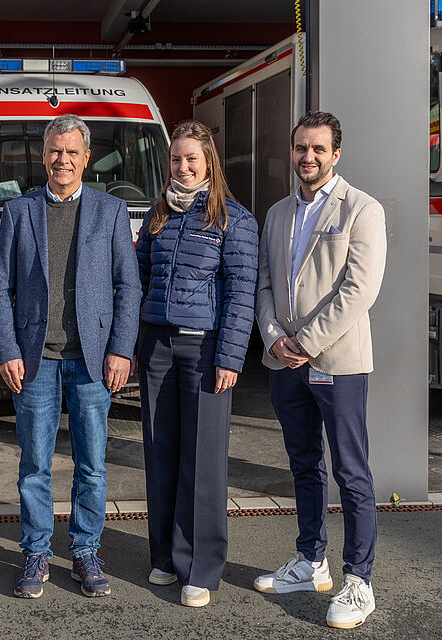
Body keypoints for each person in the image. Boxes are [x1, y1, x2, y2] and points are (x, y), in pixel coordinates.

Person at [0, 114, 141, 599]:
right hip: (35, 360)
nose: (63, 160)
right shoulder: (19, 211)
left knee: (91, 464)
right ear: (44, 155)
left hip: (93, 361)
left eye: (72, 152)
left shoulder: (111, 211)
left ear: (86, 158)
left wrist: (121, 348)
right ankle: (35, 551)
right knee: (34, 464)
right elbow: (1, 290)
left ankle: (84, 549)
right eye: (55, 151)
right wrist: (7, 349)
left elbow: (127, 285)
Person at [254, 111, 387, 629]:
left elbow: (359, 290)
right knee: (303, 464)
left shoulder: (362, 209)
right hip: (285, 360)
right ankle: (311, 561)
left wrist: (305, 342)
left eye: (317, 149)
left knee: (351, 472)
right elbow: (264, 284)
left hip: (338, 362)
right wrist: (273, 338)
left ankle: (359, 580)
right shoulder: (278, 212)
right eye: (299, 148)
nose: (307, 157)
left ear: (336, 154)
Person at [135, 120, 258, 608]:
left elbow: (241, 294)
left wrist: (230, 356)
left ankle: (201, 569)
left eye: (191, 159)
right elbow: (141, 279)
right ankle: (165, 556)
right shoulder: (156, 215)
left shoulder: (233, 218)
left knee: (203, 461)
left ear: (208, 161)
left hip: (205, 349)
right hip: (158, 347)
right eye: (175, 160)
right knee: (160, 453)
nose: (182, 168)